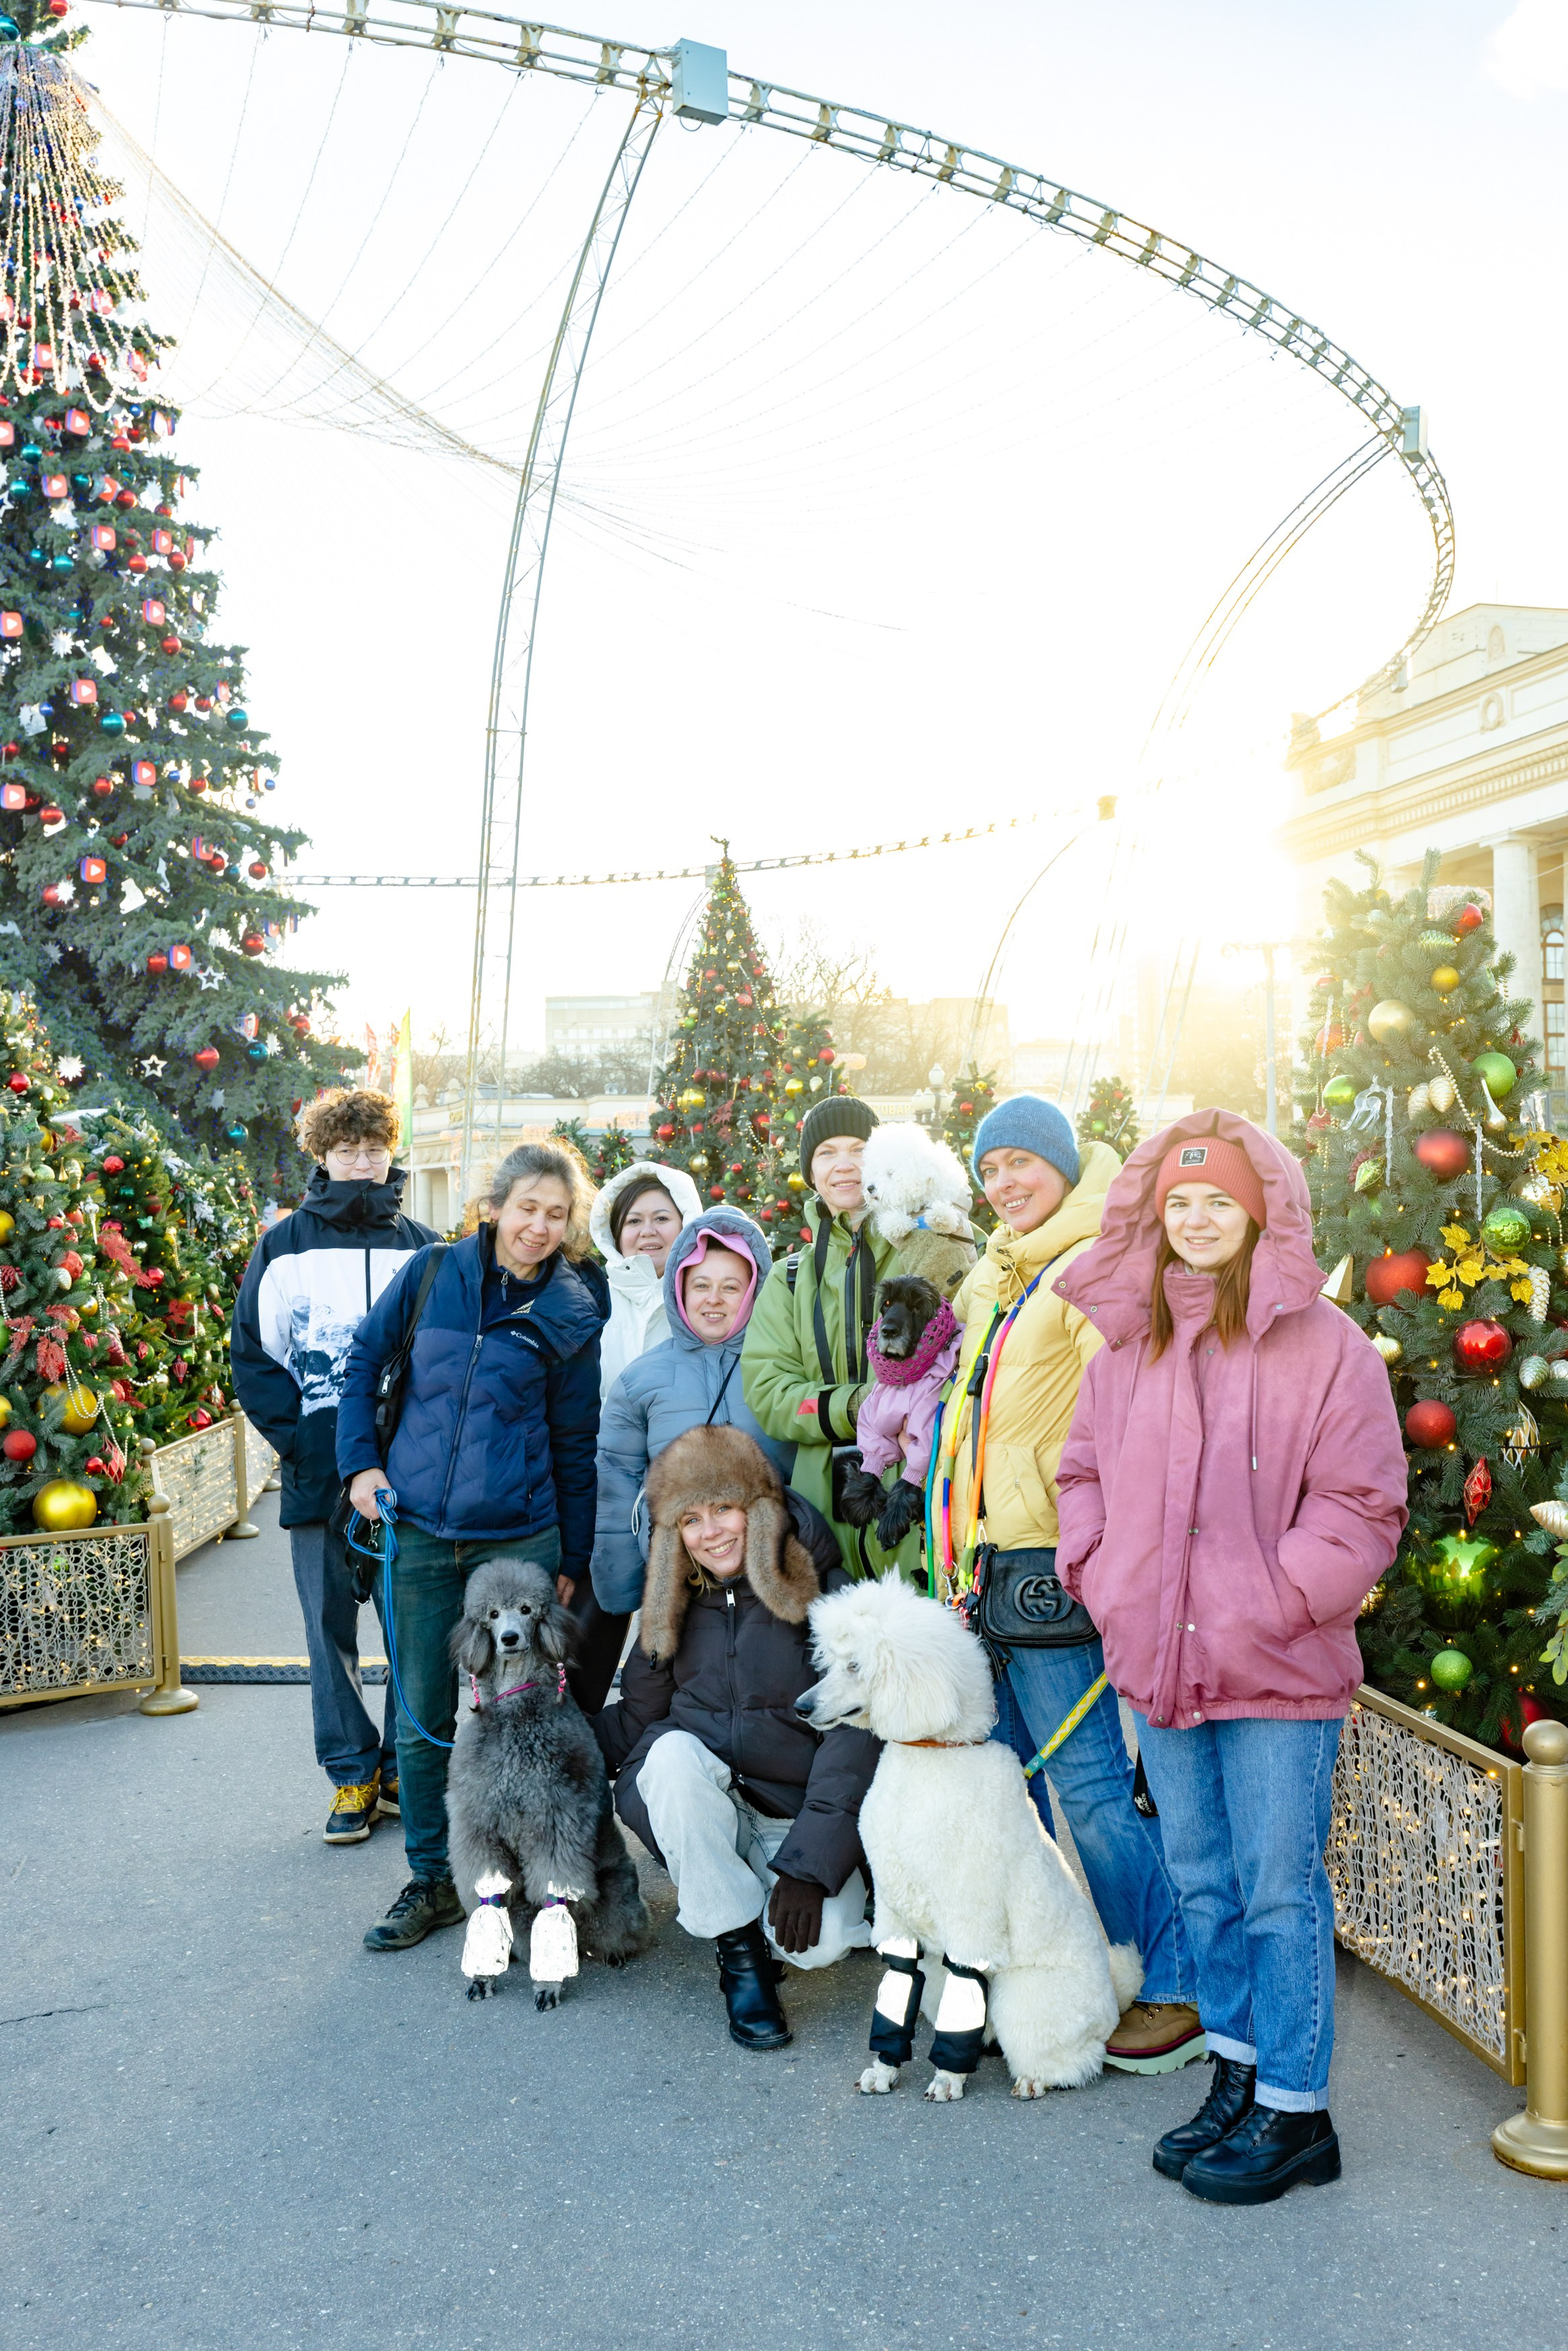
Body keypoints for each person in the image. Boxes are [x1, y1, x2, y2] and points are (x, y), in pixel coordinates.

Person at [1055, 1112, 1407, 2204]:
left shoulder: (1328, 1348)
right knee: (1201, 1883)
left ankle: (1299, 2111)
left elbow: (1361, 1505)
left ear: (1258, 1212)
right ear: (1156, 1218)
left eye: (1219, 1201)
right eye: (1181, 1202)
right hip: (1164, 1669)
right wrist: (1108, 1582)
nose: (1198, 1218)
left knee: (1274, 1888)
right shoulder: (1131, 1350)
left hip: (1280, 1675)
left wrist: (1265, 1602)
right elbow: (1084, 1483)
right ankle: (1242, 2071)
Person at [946, 1094, 1201, 2078]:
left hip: (1052, 1563)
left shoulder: (1089, 1267)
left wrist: (1106, 1560)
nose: (1005, 1184)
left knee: (1089, 1786)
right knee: (1010, 1786)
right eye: (990, 1171)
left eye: (1021, 1163)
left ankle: (1176, 1982)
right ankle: (1062, 1969)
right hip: (988, 1564)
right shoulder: (1004, 1274)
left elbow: (1132, 1426)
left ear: (1061, 1165)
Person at [336, 1139, 609, 1953]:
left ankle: (537, 1872)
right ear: (493, 1206)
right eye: (526, 1207)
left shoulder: (569, 1310)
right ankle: (434, 1877)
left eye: (556, 1214)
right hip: (417, 1530)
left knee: (525, 1717)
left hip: (519, 1538)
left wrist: (572, 1559)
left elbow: (575, 1438)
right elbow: (362, 1362)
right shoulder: (430, 1274)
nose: (539, 1226)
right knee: (423, 1716)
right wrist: (360, 1463)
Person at [596, 1424, 878, 2051]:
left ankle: (774, 1903)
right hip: (703, 1806)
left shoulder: (825, 1599)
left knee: (821, 1945)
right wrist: (538, 1730)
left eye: (723, 1508)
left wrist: (810, 1867)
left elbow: (855, 1739)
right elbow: (636, 1720)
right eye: (691, 1520)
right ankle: (740, 1954)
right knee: (666, 1759)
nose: (712, 1531)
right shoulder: (670, 1604)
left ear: (758, 1507)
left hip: (791, 1814)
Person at [230, 1090, 439, 1846]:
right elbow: (255, 1358)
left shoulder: (425, 1244)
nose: (360, 1160)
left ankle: (398, 1765)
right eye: (345, 1148)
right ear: (321, 1154)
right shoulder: (283, 1246)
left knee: (411, 1626)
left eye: (373, 1145)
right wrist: (310, 1445)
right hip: (319, 1472)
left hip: (406, 1474)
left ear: (389, 1149)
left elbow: (444, 1357)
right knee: (329, 1629)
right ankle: (350, 1768)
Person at [742, 1098, 919, 1579]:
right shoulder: (789, 1278)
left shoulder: (927, 1248)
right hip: (824, 1505)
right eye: (826, 1152)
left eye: (858, 1149)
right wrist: (861, 1403)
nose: (843, 1165)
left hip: (919, 1491)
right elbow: (771, 1393)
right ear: (810, 1170)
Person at [590, 1204, 790, 1618]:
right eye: (701, 1285)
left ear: (754, 1290)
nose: (713, 1300)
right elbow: (617, 1485)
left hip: (776, 1579)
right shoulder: (640, 1380)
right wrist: (623, 1586)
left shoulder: (784, 1370)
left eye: (731, 1287)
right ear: (680, 1289)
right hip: (688, 1589)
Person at [590, 1161, 702, 1400]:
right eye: (634, 1221)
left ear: (686, 1224)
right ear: (615, 1234)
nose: (648, 1231)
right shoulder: (592, 1302)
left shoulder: (707, 1299)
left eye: (661, 1219)